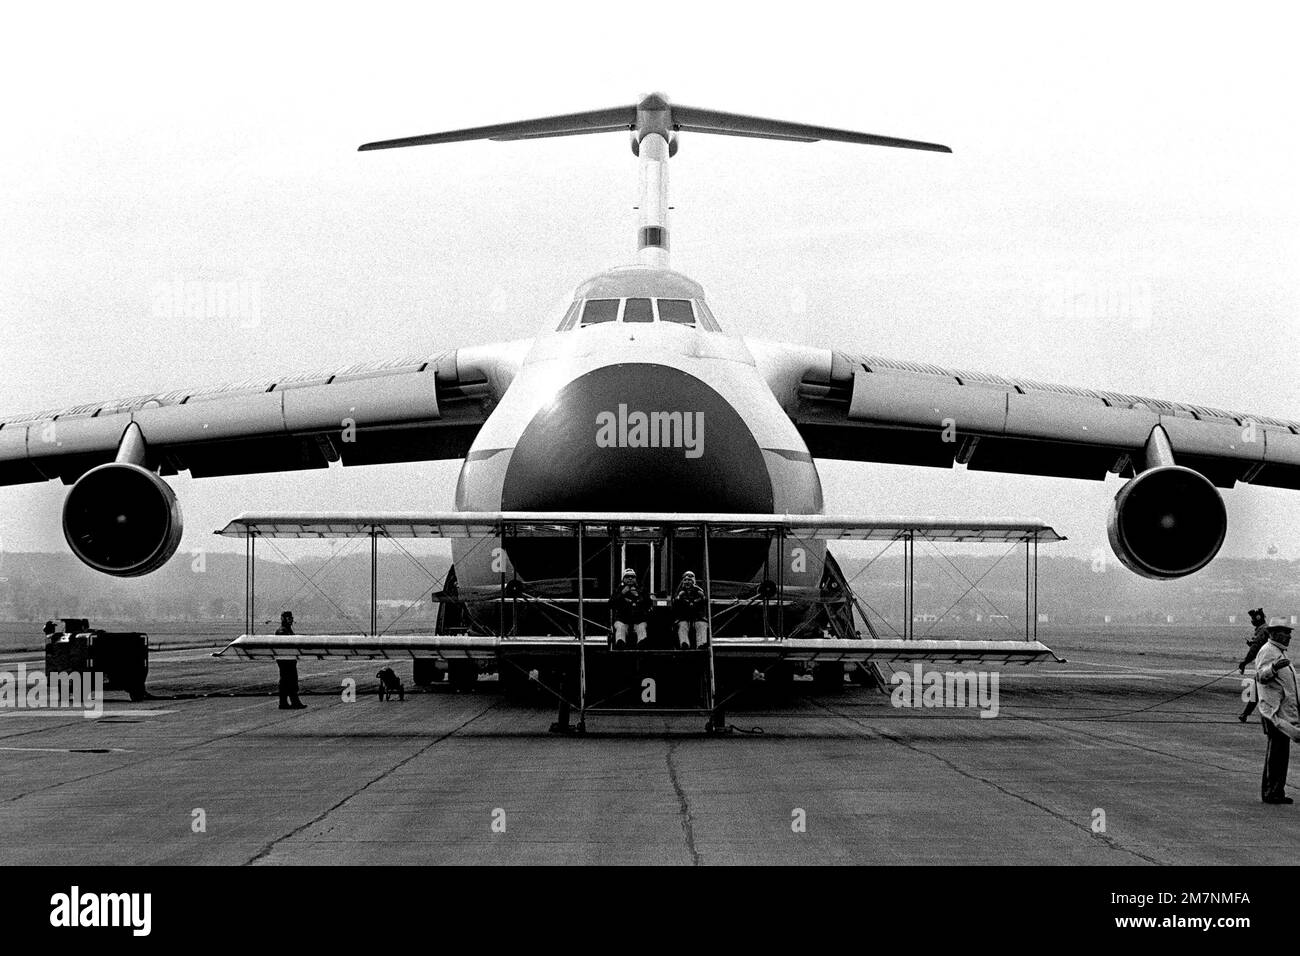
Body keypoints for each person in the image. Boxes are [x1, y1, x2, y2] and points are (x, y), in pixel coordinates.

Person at [1255, 625, 1299, 804]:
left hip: (1281, 711)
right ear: (1274, 634)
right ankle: (1271, 792)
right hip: (1272, 711)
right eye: (1285, 633)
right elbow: (1260, 676)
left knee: (1280, 753)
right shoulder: (1268, 651)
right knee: (1276, 753)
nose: (1289, 636)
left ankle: (1276, 791)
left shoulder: (1279, 651)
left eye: (1289, 633)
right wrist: (1272, 668)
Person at [1239, 608, 1270, 722]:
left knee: (1256, 690)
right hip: (1267, 664)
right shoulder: (1264, 630)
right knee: (1257, 690)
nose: (1252, 621)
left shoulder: (1262, 631)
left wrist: (1244, 662)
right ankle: (1245, 714)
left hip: (1266, 665)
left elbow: (1255, 649)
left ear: (1258, 618)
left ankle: (1245, 714)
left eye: (1253, 618)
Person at [609, 568, 649, 649]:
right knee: (620, 627)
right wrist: (622, 593)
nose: (630, 578)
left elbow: (648, 604)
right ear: (623, 579)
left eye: (632, 577)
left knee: (642, 627)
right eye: (627, 577)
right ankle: (620, 645)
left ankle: (642, 646)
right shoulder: (618, 590)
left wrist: (638, 596)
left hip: (639, 620)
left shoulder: (641, 589)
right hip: (622, 620)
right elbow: (610, 604)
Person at [274, 610, 306, 710]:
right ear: (284, 619)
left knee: (289, 680)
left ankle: (288, 702)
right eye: (289, 618)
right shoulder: (282, 631)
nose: (291, 620)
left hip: (288, 659)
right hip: (285, 659)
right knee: (288, 680)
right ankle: (290, 702)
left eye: (291, 618)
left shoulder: (287, 630)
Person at [672, 571, 708, 649]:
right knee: (682, 625)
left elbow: (704, 603)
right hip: (684, 617)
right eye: (685, 580)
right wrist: (679, 598)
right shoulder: (680, 592)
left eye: (689, 580)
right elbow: (675, 603)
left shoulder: (699, 591)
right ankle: (684, 644)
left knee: (701, 624)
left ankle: (701, 645)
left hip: (697, 617)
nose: (687, 582)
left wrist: (701, 599)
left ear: (693, 581)